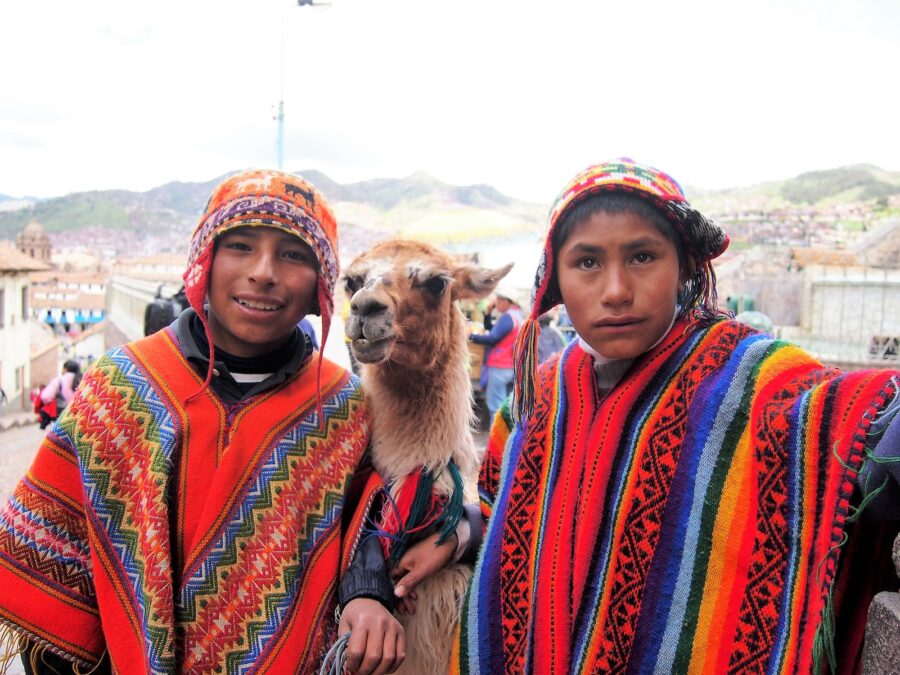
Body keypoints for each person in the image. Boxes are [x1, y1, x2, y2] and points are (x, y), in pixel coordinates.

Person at [393, 159, 900, 673]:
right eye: (587, 262)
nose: (615, 290)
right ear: (555, 281)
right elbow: (499, 507)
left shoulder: (753, 381)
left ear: (684, 265)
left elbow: (857, 424)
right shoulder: (535, 397)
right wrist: (456, 538)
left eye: (641, 256)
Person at [0, 170, 403, 675]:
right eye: (239, 245)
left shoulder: (343, 408)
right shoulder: (122, 387)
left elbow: (374, 522)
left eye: (294, 254)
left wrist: (368, 592)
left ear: (321, 281)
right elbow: (60, 546)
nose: (263, 272)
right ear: (204, 260)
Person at [468, 289, 523, 422]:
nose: (495, 303)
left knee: (496, 407)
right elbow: (491, 329)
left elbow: (492, 338)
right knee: (505, 406)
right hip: (509, 366)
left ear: (505, 301)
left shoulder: (508, 318)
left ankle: (498, 440)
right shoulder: (516, 316)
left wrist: (469, 336)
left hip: (499, 367)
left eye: (498, 300)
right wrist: (488, 312)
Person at [36, 359, 81, 429]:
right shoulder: (81, 380)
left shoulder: (58, 381)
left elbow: (45, 397)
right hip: (77, 418)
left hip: (61, 418)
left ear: (65, 369)